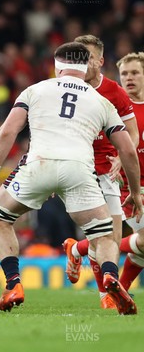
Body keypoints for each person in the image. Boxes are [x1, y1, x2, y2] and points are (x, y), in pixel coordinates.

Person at [0, 42, 142, 315]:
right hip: (80, 170)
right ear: (86, 66)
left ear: (57, 67)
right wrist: (136, 191)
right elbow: (127, 148)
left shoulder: (36, 90)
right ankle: (110, 276)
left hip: (38, 165)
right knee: (105, 236)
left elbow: (7, 132)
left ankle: (13, 283)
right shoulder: (101, 101)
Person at [62, 35, 137, 309]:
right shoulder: (66, 88)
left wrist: (119, 156)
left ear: (100, 61)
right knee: (102, 236)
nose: (83, 63)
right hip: (77, 171)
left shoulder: (114, 91)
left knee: (112, 239)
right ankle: (104, 296)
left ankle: (75, 249)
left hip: (107, 171)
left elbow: (133, 133)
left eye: (89, 57)